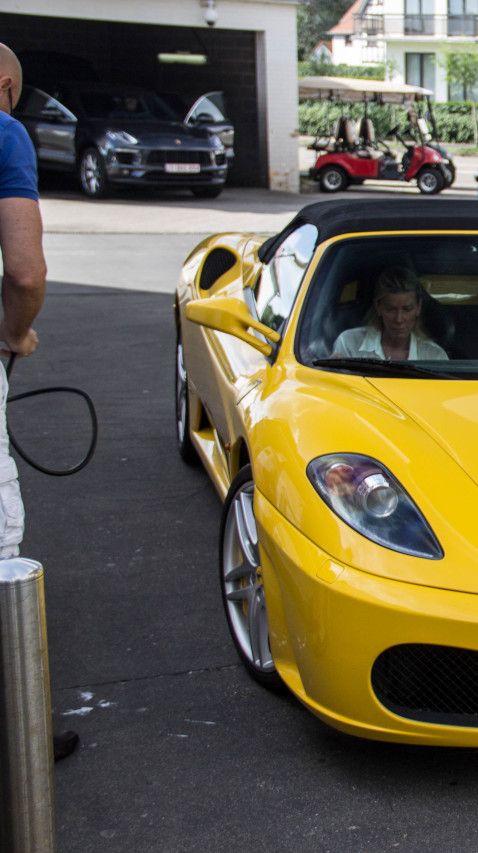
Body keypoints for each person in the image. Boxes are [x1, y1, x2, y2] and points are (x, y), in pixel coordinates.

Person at [0, 42, 77, 762]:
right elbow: (23, 271)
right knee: (1, 548)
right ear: (4, 85)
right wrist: (13, 334)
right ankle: (18, 729)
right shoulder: (3, 132)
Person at [332, 267, 448, 361]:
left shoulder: (434, 356)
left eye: (407, 309)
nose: (398, 319)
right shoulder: (350, 343)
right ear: (378, 307)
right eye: (390, 310)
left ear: (418, 308)